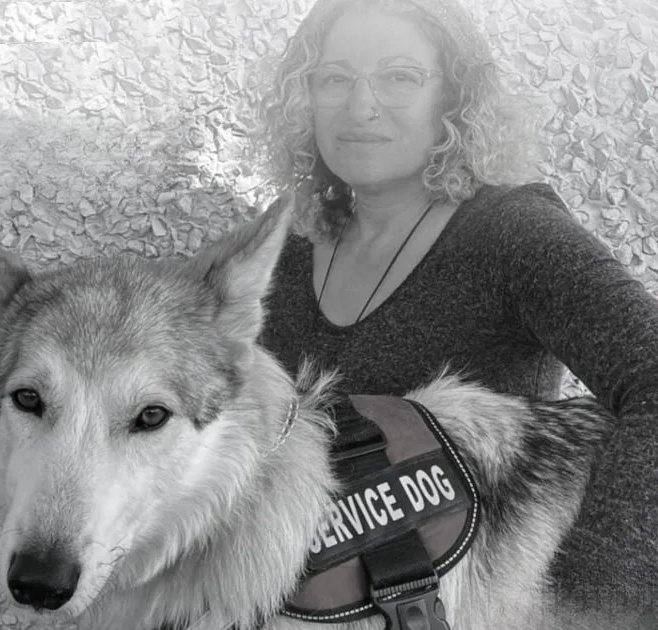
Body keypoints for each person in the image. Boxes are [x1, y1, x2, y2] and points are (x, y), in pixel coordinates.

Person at [253, 0, 658, 617]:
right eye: (334, 78)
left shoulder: (514, 235)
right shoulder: (281, 254)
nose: (361, 106)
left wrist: (587, 597)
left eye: (399, 76)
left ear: (456, 99)